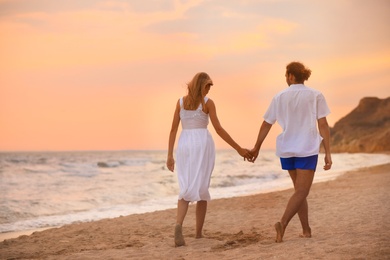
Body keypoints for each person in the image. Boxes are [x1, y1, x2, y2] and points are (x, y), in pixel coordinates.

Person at [167, 72, 252, 247]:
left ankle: (179, 225)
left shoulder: (181, 102)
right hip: (201, 144)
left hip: (184, 145)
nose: (208, 90)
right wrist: (238, 149)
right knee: (202, 188)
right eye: (207, 86)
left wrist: (169, 155)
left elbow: (173, 130)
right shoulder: (207, 103)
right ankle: (198, 234)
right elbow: (219, 129)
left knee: (186, 187)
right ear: (201, 85)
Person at [250, 61, 332, 243]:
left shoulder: (279, 97)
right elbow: (323, 125)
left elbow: (266, 123)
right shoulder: (315, 95)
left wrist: (257, 147)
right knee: (302, 191)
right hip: (307, 148)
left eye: (286, 75)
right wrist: (327, 152)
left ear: (291, 76)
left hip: (287, 149)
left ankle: (306, 230)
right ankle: (283, 223)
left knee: (299, 191)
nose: (285, 79)